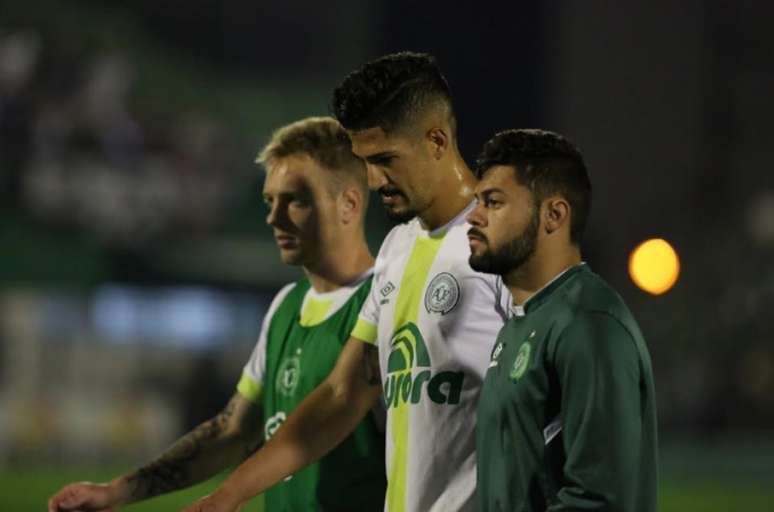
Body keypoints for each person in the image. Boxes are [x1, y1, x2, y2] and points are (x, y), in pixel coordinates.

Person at [182, 52, 510, 512]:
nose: (374, 180)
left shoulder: (505, 245)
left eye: (385, 159)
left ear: (437, 140)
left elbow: (564, 410)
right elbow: (344, 392)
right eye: (364, 161)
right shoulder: (398, 248)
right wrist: (228, 496)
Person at [48, 116, 386, 512]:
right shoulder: (286, 308)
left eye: (295, 200)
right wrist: (118, 491)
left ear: (349, 203)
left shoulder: (385, 300)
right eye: (269, 201)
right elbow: (233, 430)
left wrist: (228, 495)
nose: (273, 218)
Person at [467, 128, 658, 511]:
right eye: (477, 201)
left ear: (554, 215)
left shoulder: (588, 323)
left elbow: (600, 500)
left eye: (493, 202)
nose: (474, 216)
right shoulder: (520, 323)